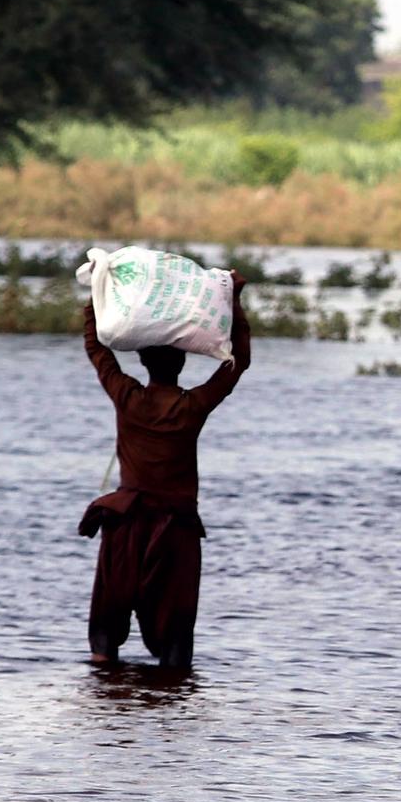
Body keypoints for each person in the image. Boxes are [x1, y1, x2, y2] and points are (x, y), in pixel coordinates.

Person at [80, 272, 252, 670]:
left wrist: (97, 293)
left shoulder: (128, 397)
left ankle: (106, 699)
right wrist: (234, 299)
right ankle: (173, 707)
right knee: (176, 630)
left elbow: (96, 350)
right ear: (182, 363)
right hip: (175, 530)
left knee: (108, 623)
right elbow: (238, 362)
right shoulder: (193, 405)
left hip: (127, 525)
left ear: (141, 361)